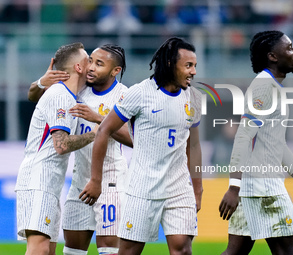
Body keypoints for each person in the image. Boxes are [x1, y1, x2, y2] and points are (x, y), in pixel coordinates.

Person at [80, 37, 203, 255]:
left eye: (194, 66)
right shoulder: (140, 93)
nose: (193, 71)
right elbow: (104, 130)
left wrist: (197, 189)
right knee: (128, 251)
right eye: (188, 65)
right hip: (142, 188)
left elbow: (193, 146)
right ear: (169, 64)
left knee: (183, 249)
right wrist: (96, 180)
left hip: (179, 187)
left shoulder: (193, 97)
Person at [219, 30, 293, 255]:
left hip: (254, 187)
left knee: (235, 252)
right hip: (265, 189)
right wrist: (233, 186)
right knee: (287, 251)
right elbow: (243, 135)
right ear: (272, 56)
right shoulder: (264, 87)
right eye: (289, 48)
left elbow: (277, 145)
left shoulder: (272, 87)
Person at [28, 44, 133, 255]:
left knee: (109, 249)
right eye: (91, 61)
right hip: (79, 183)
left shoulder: (124, 95)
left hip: (110, 181)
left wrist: (100, 119)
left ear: (116, 71)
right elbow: (36, 97)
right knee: (72, 250)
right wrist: (41, 82)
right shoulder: (79, 88)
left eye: (99, 64)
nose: (91, 67)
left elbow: (134, 139)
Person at [15, 42, 95, 255]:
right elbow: (61, 145)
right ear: (78, 67)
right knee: (39, 250)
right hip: (38, 181)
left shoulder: (66, 94)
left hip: (48, 183)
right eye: (89, 60)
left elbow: (34, 95)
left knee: (47, 251)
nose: (93, 65)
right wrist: (97, 133)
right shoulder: (60, 95)